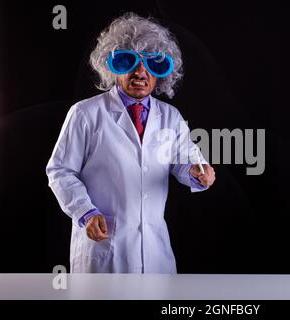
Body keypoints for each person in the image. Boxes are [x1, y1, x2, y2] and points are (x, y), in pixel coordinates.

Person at [46, 12, 215, 273]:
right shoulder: (86, 113)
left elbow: (184, 162)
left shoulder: (170, 116)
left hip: (155, 254)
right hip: (103, 252)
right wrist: (85, 213)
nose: (140, 72)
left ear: (161, 72)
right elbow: (60, 171)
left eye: (151, 64)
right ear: (112, 66)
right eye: (129, 62)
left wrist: (196, 172)